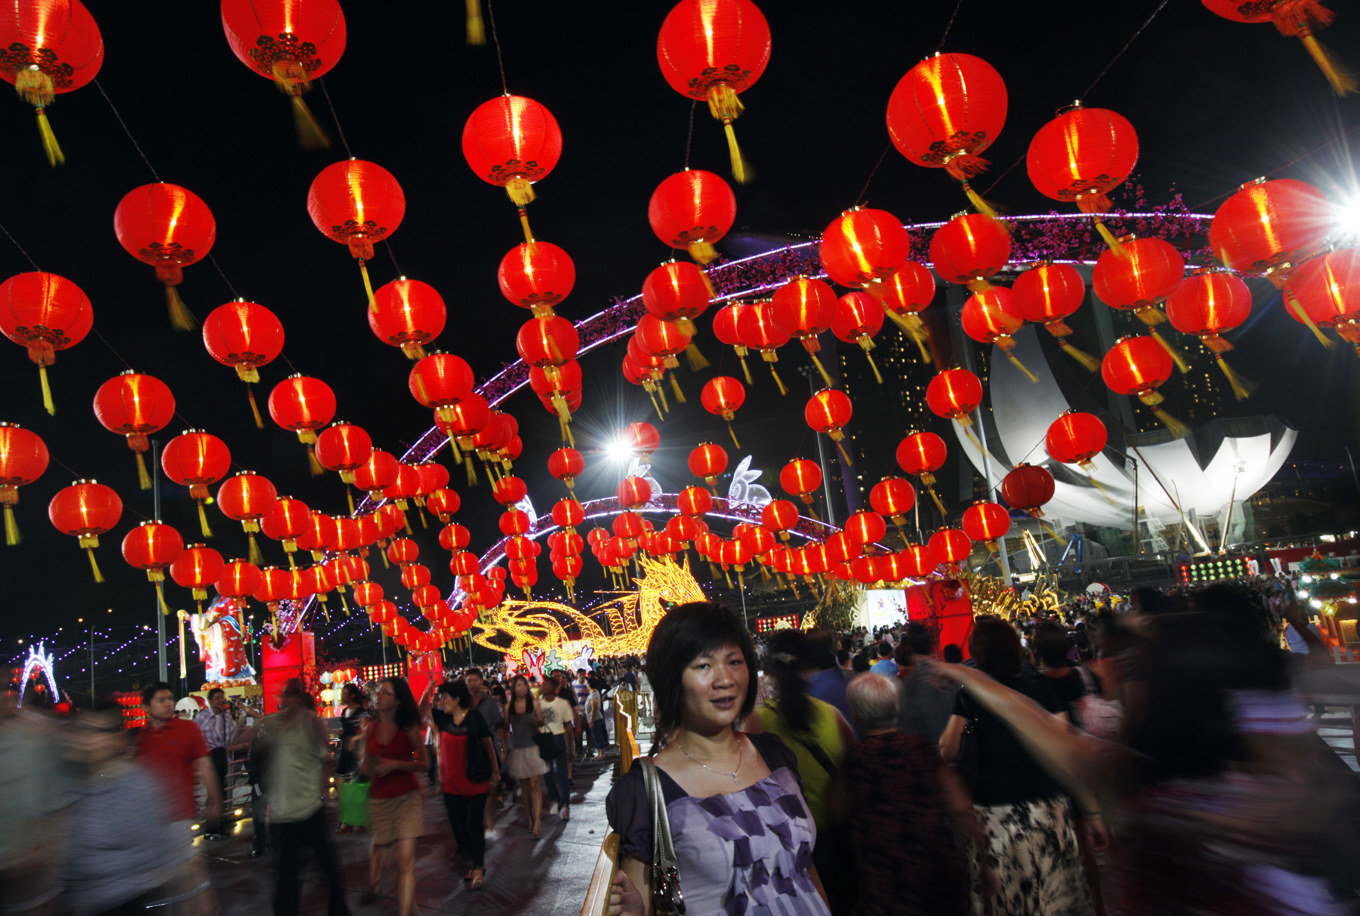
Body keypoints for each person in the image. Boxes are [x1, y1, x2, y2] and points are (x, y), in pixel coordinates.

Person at [931, 607, 1358, 915]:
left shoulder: (1151, 795)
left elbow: (1047, 731)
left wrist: (966, 677)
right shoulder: (1288, 791)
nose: (1113, 668)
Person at [607, 602, 830, 916]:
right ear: (671, 678)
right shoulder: (646, 791)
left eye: (735, 661)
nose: (725, 679)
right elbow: (649, 900)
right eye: (704, 666)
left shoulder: (775, 753)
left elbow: (804, 871)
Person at [939, 618, 1094, 916]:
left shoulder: (972, 695)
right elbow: (1066, 745)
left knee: (1008, 901)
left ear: (978, 654)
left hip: (997, 817)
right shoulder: (1041, 686)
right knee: (1054, 896)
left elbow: (948, 748)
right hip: (1047, 808)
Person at [843, 674, 993, 916]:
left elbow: (836, 809)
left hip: (885, 886)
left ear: (857, 714)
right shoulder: (920, 748)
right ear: (896, 708)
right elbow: (961, 807)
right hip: (937, 874)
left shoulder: (855, 760)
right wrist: (984, 863)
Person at [744, 628, 854, 914]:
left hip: (785, 853)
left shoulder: (757, 724)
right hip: (835, 845)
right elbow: (856, 773)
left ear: (768, 672)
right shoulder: (832, 716)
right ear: (809, 667)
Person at [63, 698, 184, 916]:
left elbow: (162, 855)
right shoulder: (69, 784)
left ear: (117, 739)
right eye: (81, 730)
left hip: (123, 904)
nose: (85, 740)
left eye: (95, 731)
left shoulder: (137, 787)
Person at [254, 679, 351, 916]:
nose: (284, 701)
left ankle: (339, 910)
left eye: (288, 696)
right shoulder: (273, 724)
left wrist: (319, 792)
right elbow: (252, 740)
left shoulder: (310, 724)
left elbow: (327, 760)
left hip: (308, 808)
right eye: (283, 696)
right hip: (283, 815)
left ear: (297, 698)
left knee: (329, 870)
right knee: (286, 878)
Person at [361, 677, 428, 916]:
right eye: (379, 692)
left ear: (398, 700)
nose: (379, 696)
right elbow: (366, 768)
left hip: (406, 798)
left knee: (405, 864)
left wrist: (396, 765)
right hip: (379, 800)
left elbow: (424, 763)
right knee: (393, 864)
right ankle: (412, 909)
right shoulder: (370, 728)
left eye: (386, 693)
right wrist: (363, 762)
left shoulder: (409, 728)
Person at [426, 680, 497, 890]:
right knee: (461, 826)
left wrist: (495, 769)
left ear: (457, 699)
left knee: (474, 825)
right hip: (451, 784)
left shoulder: (475, 718)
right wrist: (428, 689)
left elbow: (487, 743)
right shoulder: (444, 719)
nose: (442, 701)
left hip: (475, 781)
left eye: (446, 697)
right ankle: (473, 860)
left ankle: (478, 868)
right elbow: (421, 710)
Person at [503, 674, 547, 838]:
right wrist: (503, 749)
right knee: (525, 789)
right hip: (518, 749)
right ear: (513, 688)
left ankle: (537, 824)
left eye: (523, 684)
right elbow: (505, 729)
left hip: (533, 747)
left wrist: (536, 722)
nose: (521, 687)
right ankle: (530, 816)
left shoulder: (534, 703)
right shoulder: (509, 707)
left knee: (535, 785)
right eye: (518, 685)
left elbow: (542, 721)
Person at [464, 668, 506, 834]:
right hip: (468, 749)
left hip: (488, 748)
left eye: (475, 680)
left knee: (491, 786)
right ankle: (477, 819)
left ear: (481, 681)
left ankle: (488, 820)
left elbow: (498, 726)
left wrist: (503, 749)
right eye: (469, 680)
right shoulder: (462, 701)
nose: (473, 683)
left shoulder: (489, 702)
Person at [197, 687, 243, 838]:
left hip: (221, 757)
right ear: (210, 701)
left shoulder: (226, 718)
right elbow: (195, 737)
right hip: (208, 758)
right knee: (213, 794)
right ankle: (211, 828)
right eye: (217, 698)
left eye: (222, 698)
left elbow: (230, 738)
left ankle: (218, 827)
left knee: (220, 792)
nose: (220, 701)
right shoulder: (202, 717)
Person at [539, 675, 576, 820]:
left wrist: (571, 745)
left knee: (562, 773)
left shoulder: (562, 703)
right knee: (547, 774)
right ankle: (554, 799)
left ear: (552, 687)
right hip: (544, 738)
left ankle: (565, 804)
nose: (542, 687)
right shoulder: (538, 704)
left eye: (545, 684)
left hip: (558, 737)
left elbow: (568, 725)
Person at [585, 676, 609, 759]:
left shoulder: (594, 694)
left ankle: (602, 753)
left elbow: (594, 707)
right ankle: (599, 753)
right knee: (595, 736)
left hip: (595, 719)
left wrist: (591, 720)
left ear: (589, 685)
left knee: (597, 736)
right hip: (594, 718)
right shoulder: (594, 693)